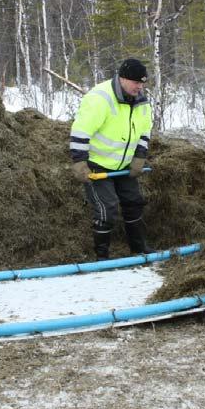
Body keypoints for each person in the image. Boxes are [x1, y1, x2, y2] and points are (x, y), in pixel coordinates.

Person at [69, 58, 154, 259]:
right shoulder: (100, 98)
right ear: (123, 79)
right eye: (136, 82)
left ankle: (139, 249)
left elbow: (145, 131)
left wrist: (139, 158)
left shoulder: (141, 102)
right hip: (97, 165)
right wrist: (79, 162)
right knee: (107, 209)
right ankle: (102, 256)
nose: (140, 87)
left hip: (124, 165)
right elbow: (80, 131)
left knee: (133, 202)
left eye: (142, 83)